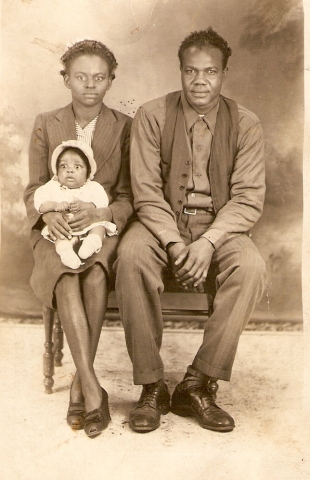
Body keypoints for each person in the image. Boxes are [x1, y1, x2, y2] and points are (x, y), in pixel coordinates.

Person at [115, 27, 267, 433]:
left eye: (210, 72)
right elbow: (146, 193)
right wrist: (173, 241)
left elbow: (248, 198)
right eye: (191, 71)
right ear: (180, 72)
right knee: (130, 256)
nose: (200, 81)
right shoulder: (152, 114)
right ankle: (151, 385)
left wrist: (208, 243)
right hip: (160, 220)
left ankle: (199, 382)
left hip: (220, 226)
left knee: (251, 267)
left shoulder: (246, 124)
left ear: (224, 74)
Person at [24, 39, 133, 438]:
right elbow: (33, 188)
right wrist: (48, 213)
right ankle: (91, 388)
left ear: (111, 81)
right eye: (81, 77)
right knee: (65, 274)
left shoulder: (124, 126)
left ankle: (79, 385)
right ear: (66, 78)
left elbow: (126, 194)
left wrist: (103, 213)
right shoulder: (46, 122)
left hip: (99, 226)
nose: (90, 85)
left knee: (97, 272)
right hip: (54, 229)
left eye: (100, 78)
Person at [34, 140, 117, 269]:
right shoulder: (52, 186)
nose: (70, 171)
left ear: (88, 173)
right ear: (56, 170)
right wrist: (54, 206)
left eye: (77, 167)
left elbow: (101, 204)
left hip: (89, 224)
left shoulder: (93, 187)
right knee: (59, 235)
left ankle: (93, 242)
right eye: (63, 166)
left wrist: (85, 205)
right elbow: (40, 204)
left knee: (99, 226)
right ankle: (65, 252)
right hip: (65, 226)